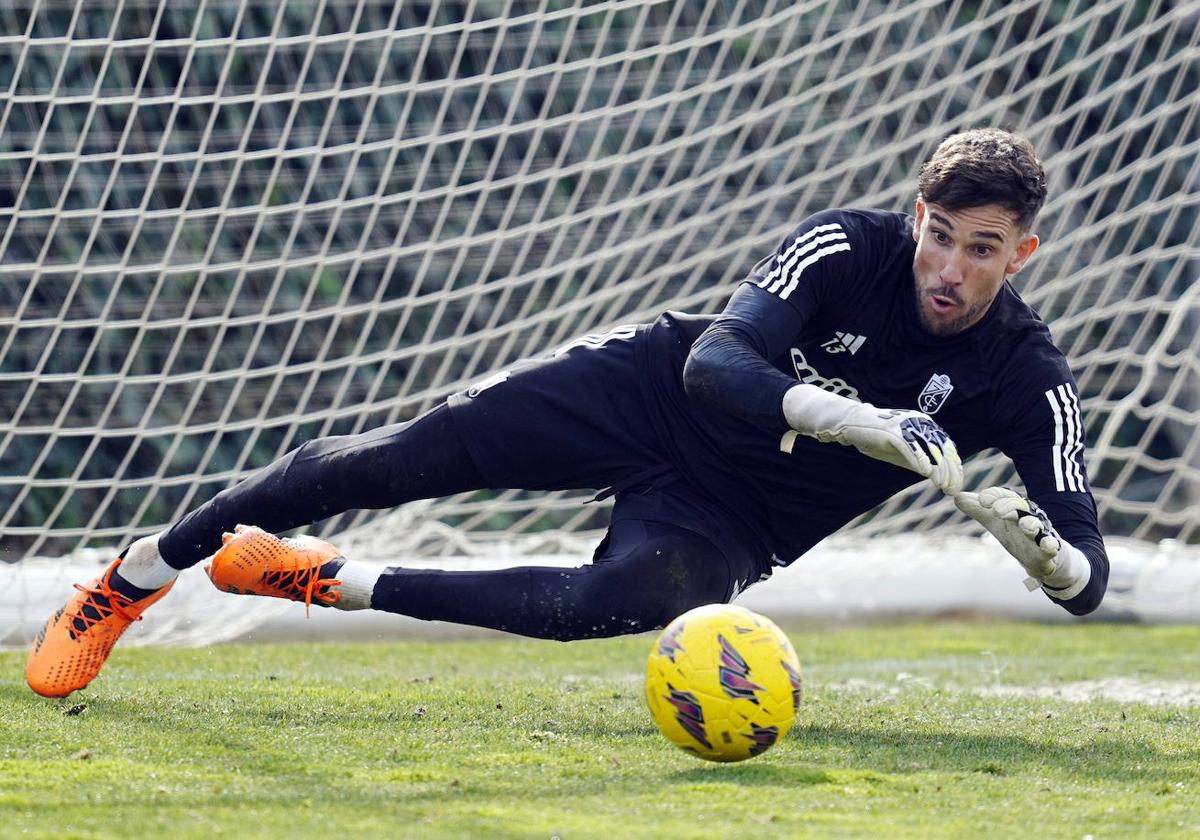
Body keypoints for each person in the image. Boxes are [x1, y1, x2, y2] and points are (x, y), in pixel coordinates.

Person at [26, 127, 1108, 698]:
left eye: (981, 251)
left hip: (737, 519)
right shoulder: (848, 245)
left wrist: (1052, 561)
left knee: (615, 601)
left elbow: (1089, 569)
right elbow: (719, 363)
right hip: (648, 394)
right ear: (917, 214)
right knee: (396, 461)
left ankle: (323, 579)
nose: (949, 271)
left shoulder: (1027, 376)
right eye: (939, 236)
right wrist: (865, 426)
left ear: (1023, 253)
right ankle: (131, 580)